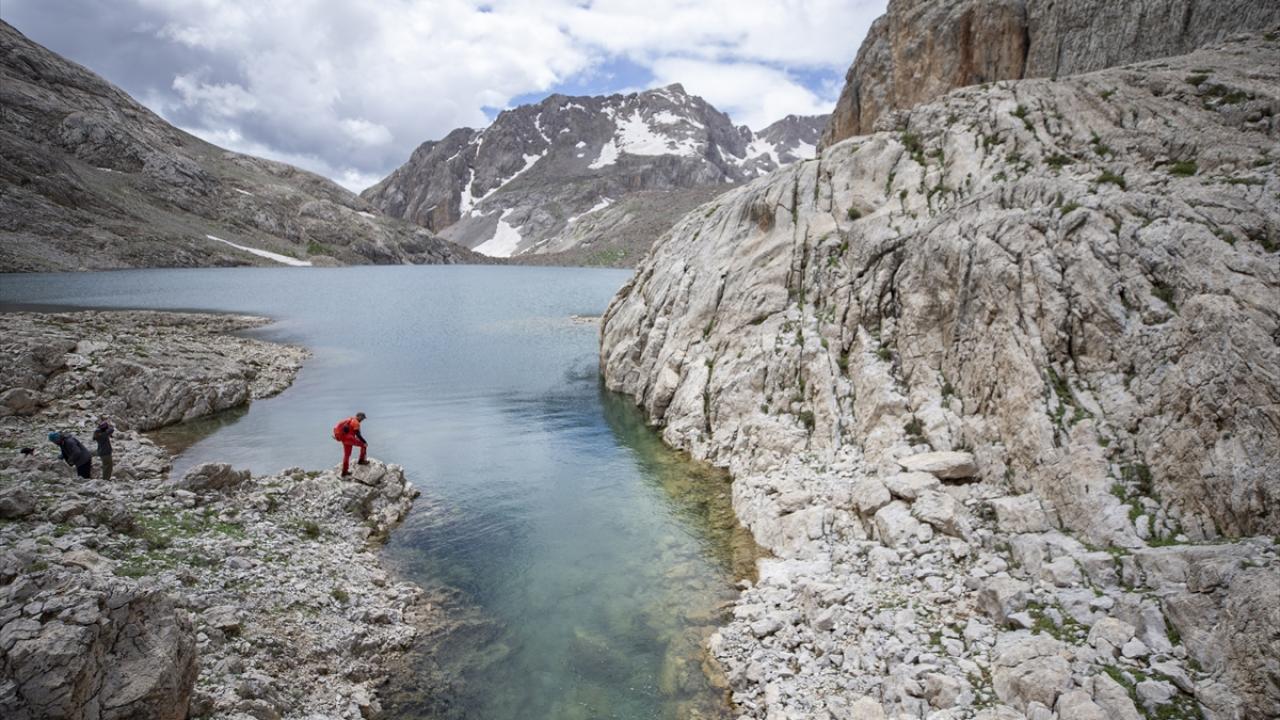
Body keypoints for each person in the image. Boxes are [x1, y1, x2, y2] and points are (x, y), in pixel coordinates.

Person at [332, 412, 369, 477]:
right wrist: (364, 442)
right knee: (364, 445)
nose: (363, 419)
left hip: (344, 439)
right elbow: (358, 434)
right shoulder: (356, 423)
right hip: (350, 439)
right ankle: (361, 460)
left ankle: (344, 472)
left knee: (347, 455)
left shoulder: (349, 419)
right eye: (362, 418)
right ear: (358, 416)